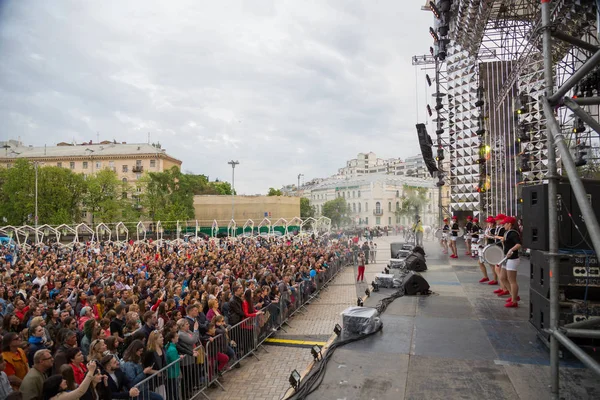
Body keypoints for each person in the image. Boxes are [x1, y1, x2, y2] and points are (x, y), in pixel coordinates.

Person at [499, 216, 522, 308]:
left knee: (512, 280)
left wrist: (511, 250)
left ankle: (514, 300)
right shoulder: (507, 233)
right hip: (507, 258)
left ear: (509, 224)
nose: (503, 225)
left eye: (505, 223)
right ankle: (513, 294)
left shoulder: (513, 233)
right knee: (502, 277)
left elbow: (519, 244)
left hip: (513, 259)